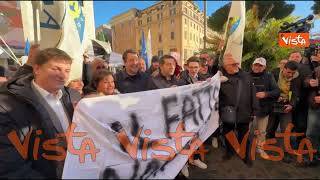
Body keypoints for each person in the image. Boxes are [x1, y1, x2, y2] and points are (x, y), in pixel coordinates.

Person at [0, 48, 80, 178]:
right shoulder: (8, 105)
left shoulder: (74, 96)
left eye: (67, 70)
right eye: (56, 69)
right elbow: (9, 164)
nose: (63, 75)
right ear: (37, 69)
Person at [219, 53, 258, 167]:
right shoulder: (220, 77)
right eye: (233, 64)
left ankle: (246, 155)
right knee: (228, 134)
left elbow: (253, 93)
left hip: (244, 111)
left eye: (236, 63)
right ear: (226, 66)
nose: (236, 65)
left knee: (244, 135)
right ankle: (229, 152)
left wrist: (254, 110)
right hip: (228, 112)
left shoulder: (246, 76)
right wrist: (221, 108)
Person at [266, 61, 300, 163]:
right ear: (283, 68)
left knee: (286, 129)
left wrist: (291, 105)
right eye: (289, 72)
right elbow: (268, 88)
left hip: (286, 106)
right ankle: (268, 144)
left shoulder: (296, 77)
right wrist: (276, 96)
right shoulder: (274, 73)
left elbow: (296, 93)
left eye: (293, 73)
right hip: (274, 104)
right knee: (270, 126)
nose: (291, 75)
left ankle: (286, 152)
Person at [249, 57, 280, 158]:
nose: (257, 67)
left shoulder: (269, 76)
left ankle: (260, 148)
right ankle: (246, 147)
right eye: (256, 65)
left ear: (264, 67)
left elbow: (276, 91)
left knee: (262, 131)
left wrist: (265, 94)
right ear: (252, 65)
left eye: (260, 65)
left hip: (263, 108)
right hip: (248, 108)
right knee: (247, 129)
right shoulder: (246, 76)